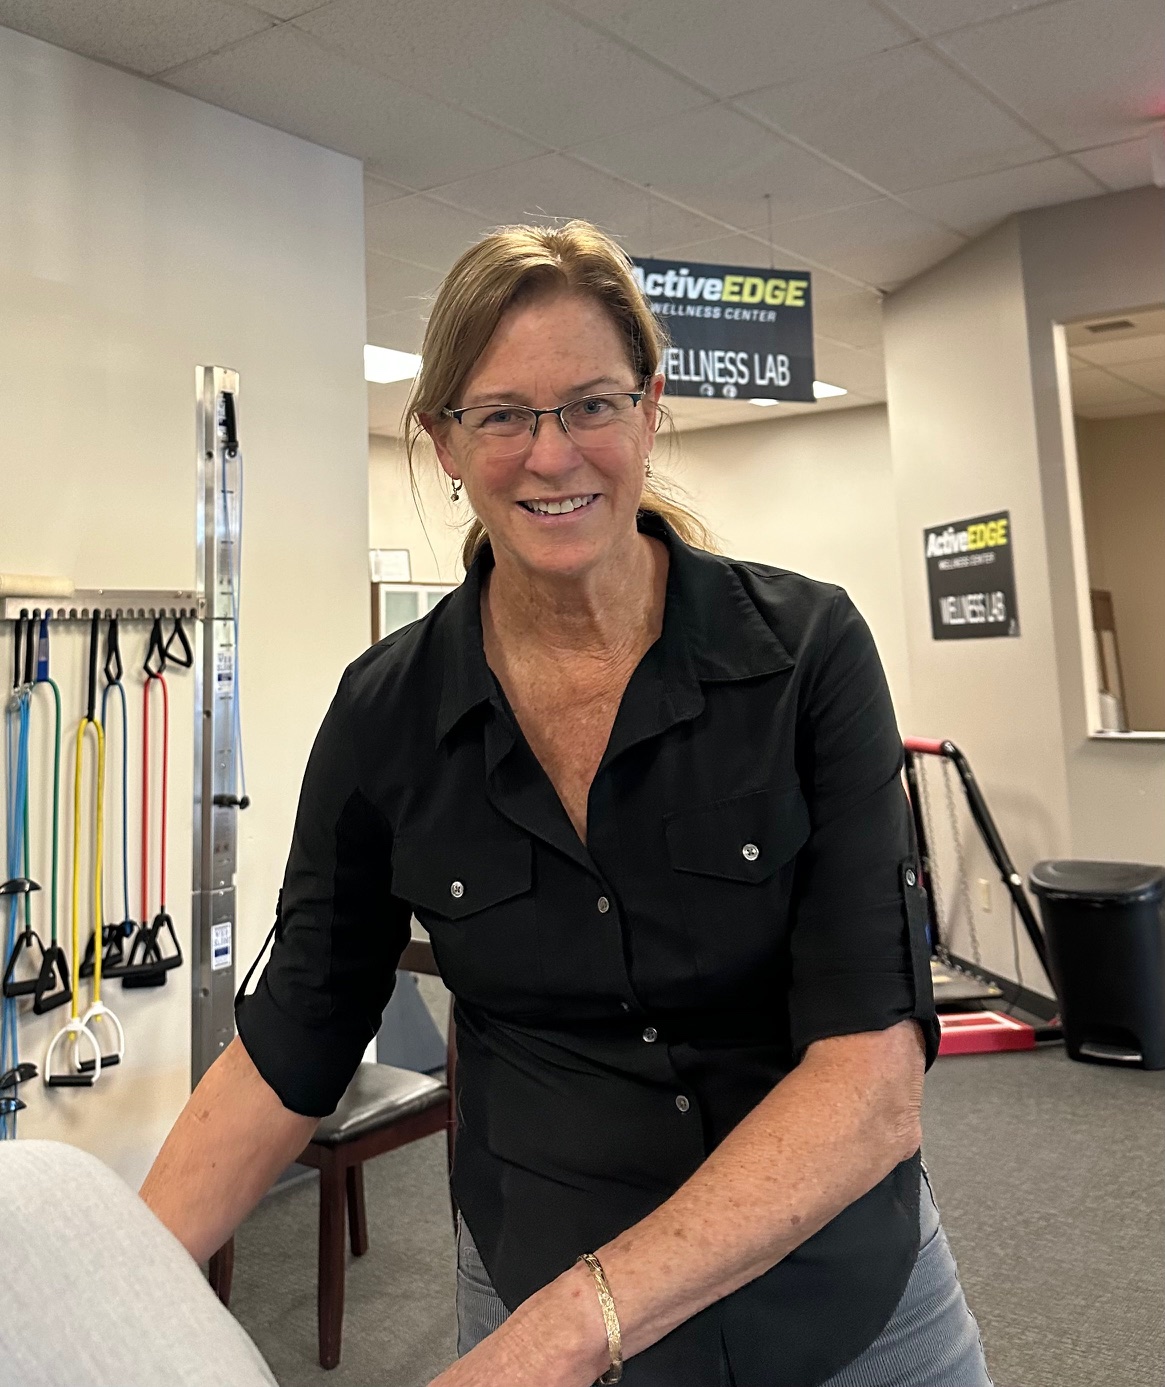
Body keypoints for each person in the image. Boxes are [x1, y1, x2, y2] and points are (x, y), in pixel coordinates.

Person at [141, 220, 993, 1387]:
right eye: (501, 415)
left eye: (591, 404)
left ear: (649, 412)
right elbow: (296, 1031)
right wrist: (107, 1280)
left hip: (836, 1291)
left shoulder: (804, 655)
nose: (552, 455)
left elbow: (870, 1081)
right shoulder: (386, 714)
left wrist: (565, 1329)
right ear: (441, 439)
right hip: (535, 1260)